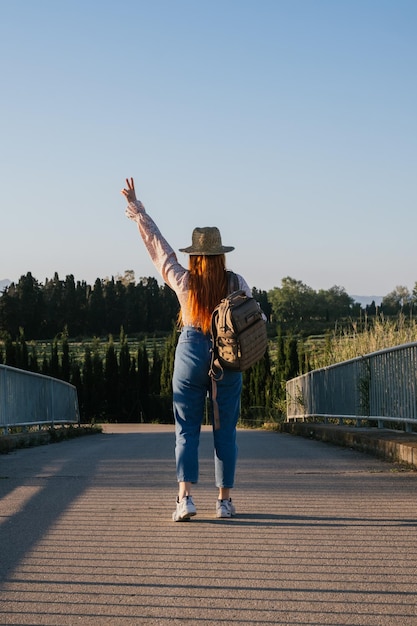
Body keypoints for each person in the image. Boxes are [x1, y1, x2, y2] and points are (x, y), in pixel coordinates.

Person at [121, 178, 252, 521]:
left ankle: (186, 499)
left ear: (194, 256)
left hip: (191, 349)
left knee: (186, 428)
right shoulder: (236, 282)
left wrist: (139, 212)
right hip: (228, 355)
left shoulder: (184, 280)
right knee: (226, 431)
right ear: (222, 256)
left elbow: (159, 249)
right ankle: (223, 502)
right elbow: (257, 317)